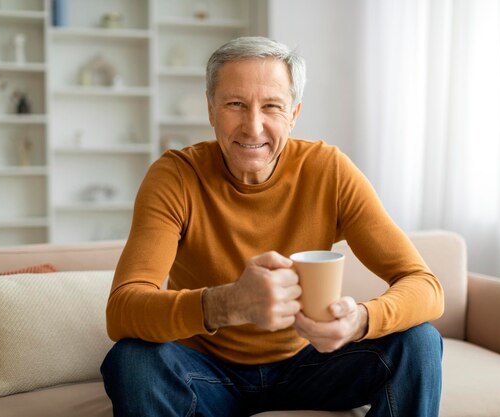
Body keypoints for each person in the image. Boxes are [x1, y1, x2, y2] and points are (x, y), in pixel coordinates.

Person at [101, 36, 444, 417]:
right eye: (235, 104)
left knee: (420, 341)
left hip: (310, 365)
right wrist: (226, 304)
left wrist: (360, 321)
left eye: (271, 106)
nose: (253, 126)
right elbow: (122, 309)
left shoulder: (328, 170)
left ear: (293, 114)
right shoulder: (175, 177)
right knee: (131, 359)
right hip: (204, 374)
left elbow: (424, 285)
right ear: (211, 109)